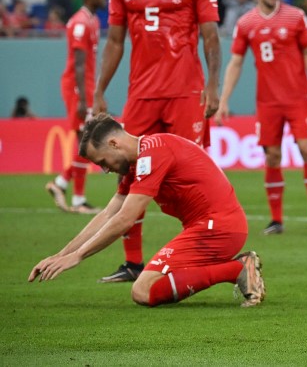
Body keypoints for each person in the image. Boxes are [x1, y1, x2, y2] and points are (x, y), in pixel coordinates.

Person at [93, 0, 222, 284]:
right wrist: (101, 90)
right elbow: (115, 41)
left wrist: (213, 87)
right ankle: (132, 262)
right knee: (129, 173)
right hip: (142, 94)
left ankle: (201, 251)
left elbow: (210, 37)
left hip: (186, 92)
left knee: (191, 177)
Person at [28, 114, 264, 309]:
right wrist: (62, 254)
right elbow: (109, 213)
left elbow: (125, 219)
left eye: (102, 161)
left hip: (217, 229)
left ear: (113, 144)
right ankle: (238, 268)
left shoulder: (154, 154)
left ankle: (238, 268)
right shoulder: (140, 159)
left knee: (143, 291)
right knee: (148, 288)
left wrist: (78, 256)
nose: (105, 170)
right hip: (212, 228)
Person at [217, 0, 307, 234]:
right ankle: (276, 219)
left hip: (298, 97)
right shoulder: (245, 23)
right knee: (273, 156)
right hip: (267, 103)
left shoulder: (296, 16)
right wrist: (223, 100)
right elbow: (236, 62)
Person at [45, 0, 107, 215]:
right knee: (86, 140)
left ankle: (62, 185)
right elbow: (79, 65)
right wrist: (82, 98)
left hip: (86, 88)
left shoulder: (90, 20)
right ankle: (76, 197)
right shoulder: (80, 23)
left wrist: (96, 93)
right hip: (76, 88)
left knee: (87, 140)